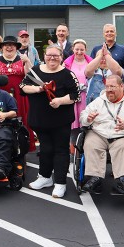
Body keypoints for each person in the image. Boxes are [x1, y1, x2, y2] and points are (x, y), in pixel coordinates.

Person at [21, 45, 80, 198]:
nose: (52, 58)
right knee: (45, 149)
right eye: (49, 55)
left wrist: (60, 100)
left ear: (61, 57)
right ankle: (44, 177)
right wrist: (38, 89)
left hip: (61, 120)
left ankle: (60, 183)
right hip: (39, 120)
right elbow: (23, 86)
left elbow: (76, 94)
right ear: (44, 55)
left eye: (55, 55)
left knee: (60, 150)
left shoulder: (68, 74)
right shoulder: (35, 70)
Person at [79, 75, 124, 195]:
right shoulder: (99, 101)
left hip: (122, 135)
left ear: (121, 86)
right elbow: (83, 116)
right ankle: (94, 178)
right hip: (99, 134)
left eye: (112, 86)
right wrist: (88, 119)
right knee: (90, 143)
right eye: (107, 86)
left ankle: (123, 180)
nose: (109, 89)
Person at [0, 35, 34, 151]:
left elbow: (30, 76)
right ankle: (2, 147)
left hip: (20, 97)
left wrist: (28, 62)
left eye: (12, 45)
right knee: (1, 121)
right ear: (2, 48)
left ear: (16, 47)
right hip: (1, 97)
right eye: (6, 45)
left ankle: (22, 148)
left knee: (20, 121)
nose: (9, 47)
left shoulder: (22, 60)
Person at [63, 39, 93, 162]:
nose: (79, 52)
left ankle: (87, 153)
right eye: (77, 49)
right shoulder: (67, 63)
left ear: (85, 50)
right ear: (73, 50)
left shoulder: (90, 62)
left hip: (87, 98)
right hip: (73, 98)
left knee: (86, 126)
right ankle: (73, 154)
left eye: (82, 49)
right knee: (73, 127)